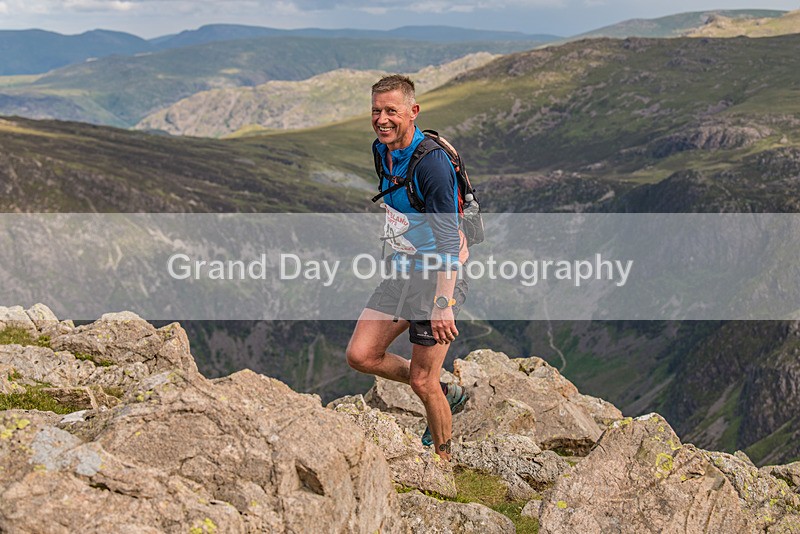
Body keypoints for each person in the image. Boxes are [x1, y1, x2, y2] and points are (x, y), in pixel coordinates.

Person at [346, 75, 469, 461]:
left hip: (436, 278)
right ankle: (449, 392)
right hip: (402, 270)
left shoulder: (431, 165)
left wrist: (442, 304)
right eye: (376, 111)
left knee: (421, 381)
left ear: (413, 112)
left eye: (391, 111)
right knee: (361, 355)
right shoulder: (381, 150)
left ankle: (443, 464)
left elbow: (450, 242)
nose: (382, 119)